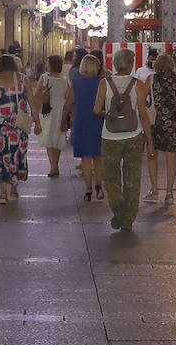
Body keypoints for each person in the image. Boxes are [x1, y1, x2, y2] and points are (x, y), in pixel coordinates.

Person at [94, 47, 156, 232]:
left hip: (110, 137)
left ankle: (119, 208)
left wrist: (109, 114)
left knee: (111, 178)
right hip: (133, 137)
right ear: (130, 64)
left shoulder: (105, 83)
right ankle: (128, 219)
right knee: (132, 179)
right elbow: (144, 115)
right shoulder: (138, 84)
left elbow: (96, 110)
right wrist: (150, 142)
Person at [0, 54, 31, 203]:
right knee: (16, 154)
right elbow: (33, 102)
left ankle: (3, 193)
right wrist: (38, 122)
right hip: (18, 126)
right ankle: (14, 189)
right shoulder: (23, 79)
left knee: (0, 155)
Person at [147, 53, 176, 205]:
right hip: (173, 122)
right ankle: (169, 193)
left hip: (156, 121)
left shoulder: (151, 79)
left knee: (152, 154)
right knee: (171, 156)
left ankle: (154, 191)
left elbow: (144, 100)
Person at [69, 54, 104, 199]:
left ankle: (88, 189)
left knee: (85, 159)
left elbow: (68, 103)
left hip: (81, 122)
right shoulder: (102, 82)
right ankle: (99, 186)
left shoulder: (76, 83)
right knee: (98, 157)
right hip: (98, 121)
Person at [34, 54, 73, 178]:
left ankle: (53, 167)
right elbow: (68, 97)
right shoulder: (64, 80)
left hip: (47, 109)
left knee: (48, 137)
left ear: (50, 65)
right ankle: (55, 165)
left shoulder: (44, 78)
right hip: (60, 109)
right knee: (58, 136)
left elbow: (37, 95)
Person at [132, 50, 158, 202]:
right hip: (147, 108)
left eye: (155, 59)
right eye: (151, 58)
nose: (152, 61)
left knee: (151, 145)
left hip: (152, 112)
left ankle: (155, 190)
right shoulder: (141, 72)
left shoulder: (153, 76)